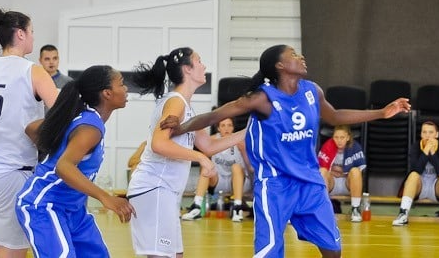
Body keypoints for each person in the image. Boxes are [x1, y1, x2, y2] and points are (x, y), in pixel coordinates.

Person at [160, 44, 411, 258]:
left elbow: (334, 116)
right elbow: (217, 114)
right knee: (269, 250)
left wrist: (381, 113)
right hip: (275, 185)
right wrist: (181, 127)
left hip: (310, 182)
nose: (300, 57)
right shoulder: (262, 99)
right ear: (279, 66)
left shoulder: (312, 90)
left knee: (333, 248)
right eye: (293, 54)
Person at [127, 47, 248, 258]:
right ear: (187, 69)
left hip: (166, 193)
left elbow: (209, 145)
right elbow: (158, 143)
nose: (204, 66)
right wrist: (199, 157)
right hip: (154, 188)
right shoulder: (176, 102)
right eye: (199, 61)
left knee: (176, 255)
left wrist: (249, 131)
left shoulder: (186, 106)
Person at [0, 5, 60, 258]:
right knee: (11, 248)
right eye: (32, 31)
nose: (34, 37)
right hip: (8, 170)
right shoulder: (32, 70)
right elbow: (62, 110)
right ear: (21, 34)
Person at [15, 65, 136, 257]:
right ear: (107, 93)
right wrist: (106, 197)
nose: (126, 88)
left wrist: (58, 140)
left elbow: (32, 129)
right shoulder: (90, 128)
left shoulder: (83, 120)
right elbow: (63, 167)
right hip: (44, 205)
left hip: (73, 209)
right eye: (121, 84)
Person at [391, 121, 439, 227]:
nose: (427, 135)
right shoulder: (415, 146)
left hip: (435, 187)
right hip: (419, 187)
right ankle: (403, 214)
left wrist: (433, 153)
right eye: (424, 132)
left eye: (430, 132)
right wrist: (425, 151)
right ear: (421, 134)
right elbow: (416, 169)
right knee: (413, 175)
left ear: (436, 135)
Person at [182, 117, 253, 222]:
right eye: (223, 125)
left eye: (229, 125)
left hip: (239, 181)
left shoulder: (240, 141)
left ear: (233, 127)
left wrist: (243, 150)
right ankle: (196, 206)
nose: (226, 128)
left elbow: (250, 166)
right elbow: (203, 160)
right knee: (207, 168)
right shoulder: (212, 141)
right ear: (218, 128)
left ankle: (237, 208)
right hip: (218, 181)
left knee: (236, 166)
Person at [317, 125, 366, 222]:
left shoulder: (355, 147)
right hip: (332, 183)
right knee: (322, 171)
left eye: (342, 137)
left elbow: (360, 169)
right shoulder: (327, 146)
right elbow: (320, 166)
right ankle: (324, 210)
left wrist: (342, 171)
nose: (339, 140)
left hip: (347, 184)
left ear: (348, 137)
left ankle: (355, 209)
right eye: (336, 137)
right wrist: (332, 170)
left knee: (355, 171)